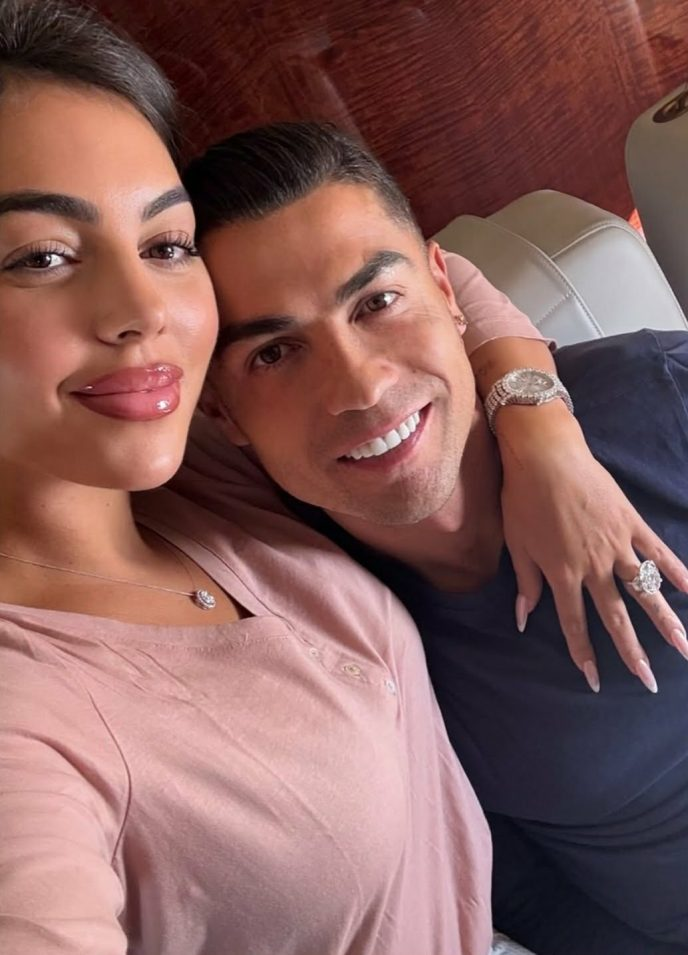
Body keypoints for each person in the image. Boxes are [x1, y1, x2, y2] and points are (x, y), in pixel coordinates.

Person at [0, 4, 498, 953]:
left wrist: (540, 417)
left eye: (165, 246)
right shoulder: (27, 717)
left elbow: (426, 272)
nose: (144, 308)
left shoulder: (182, 454)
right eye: (43, 256)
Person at [184, 121, 688, 954]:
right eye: (274, 353)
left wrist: (541, 424)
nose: (360, 386)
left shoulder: (665, 399)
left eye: (377, 303)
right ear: (220, 412)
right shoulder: (352, 657)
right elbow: (526, 891)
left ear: (447, 291)